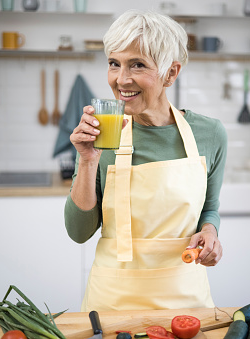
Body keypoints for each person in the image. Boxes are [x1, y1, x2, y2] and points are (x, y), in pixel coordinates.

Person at [65, 9, 228, 312]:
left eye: (137, 65)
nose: (121, 79)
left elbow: (210, 208)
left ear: (171, 73)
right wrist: (87, 161)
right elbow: (78, 232)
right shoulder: (103, 131)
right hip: (112, 301)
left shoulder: (210, 134)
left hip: (186, 300)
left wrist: (210, 232)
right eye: (114, 63)